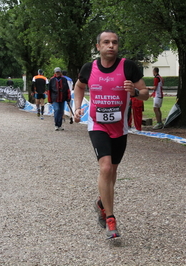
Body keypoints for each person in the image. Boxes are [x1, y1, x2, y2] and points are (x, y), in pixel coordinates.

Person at [73, 30, 149, 239]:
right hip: (97, 125)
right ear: (98, 46)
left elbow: (146, 94)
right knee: (105, 167)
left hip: (120, 127)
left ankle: (101, 202)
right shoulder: (89, 68)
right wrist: (78, 107)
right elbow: (79, 86)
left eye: (114, 42)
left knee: (113, 171)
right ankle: (110, 218)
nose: (111, 46)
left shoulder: (128, 67)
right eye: (106, 42)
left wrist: (133, 92)